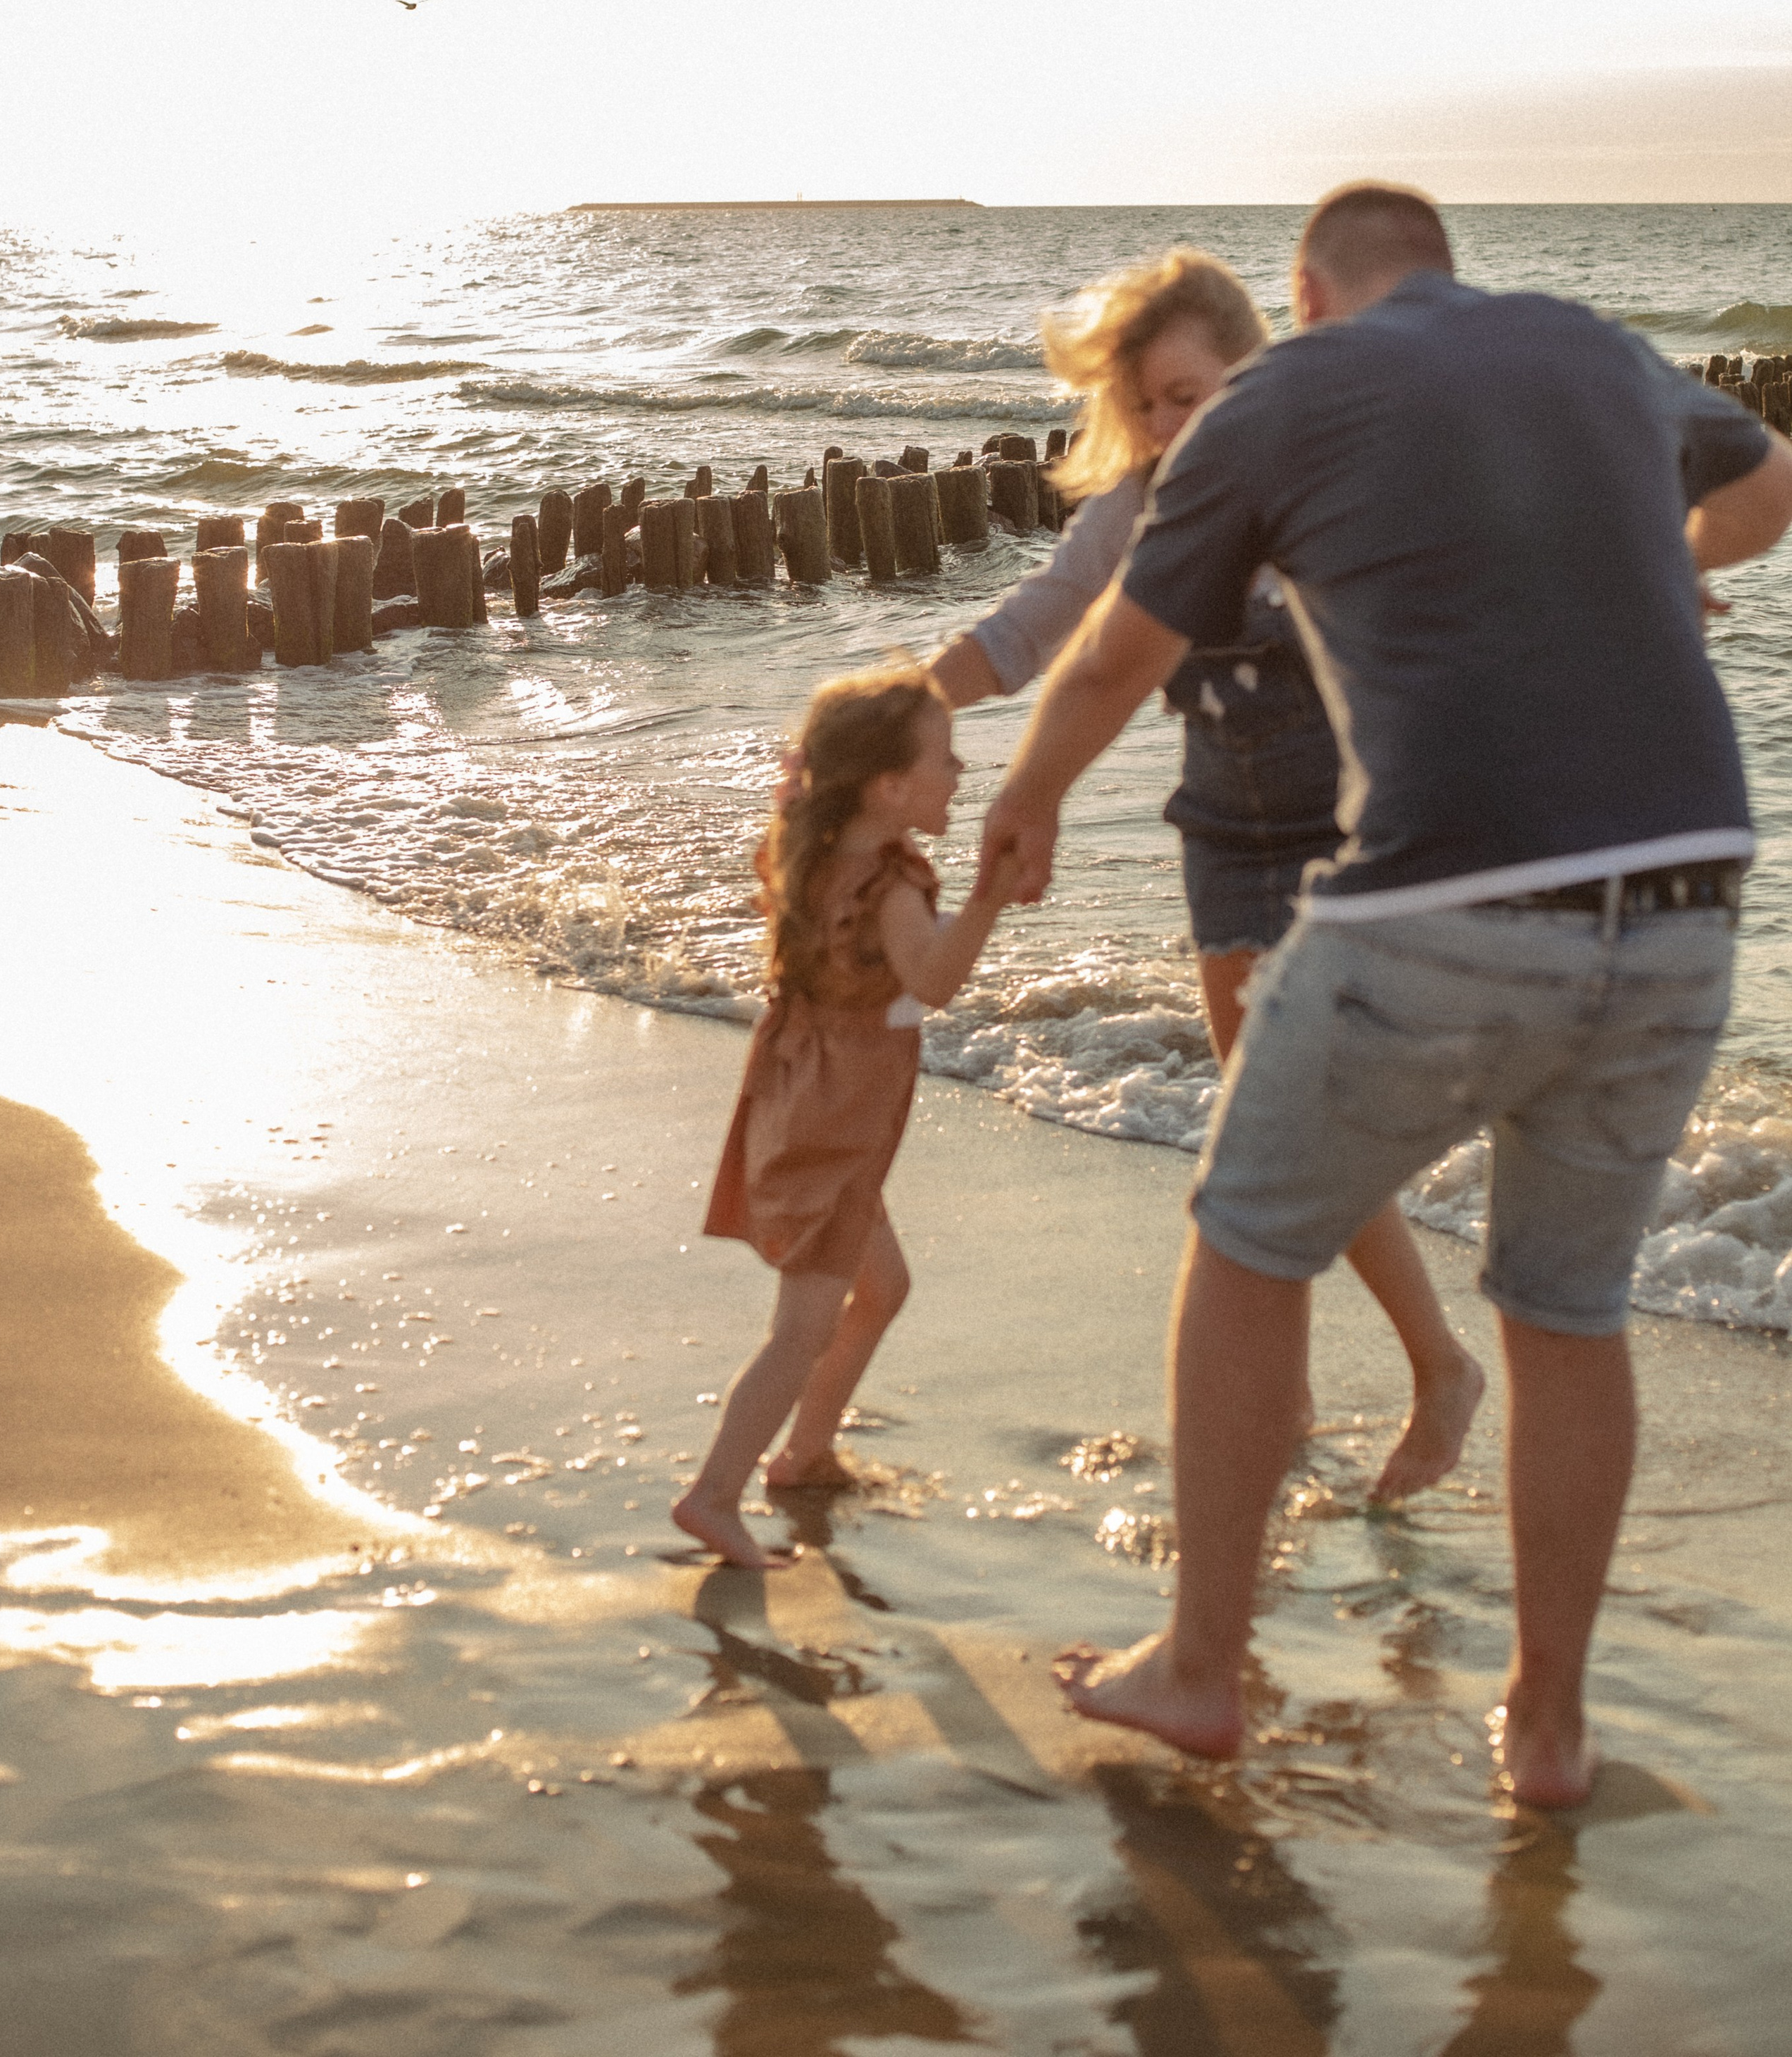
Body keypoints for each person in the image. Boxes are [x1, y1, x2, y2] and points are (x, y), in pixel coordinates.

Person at [976, 182, 1792, 1808]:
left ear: (1307, 292)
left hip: (1444, 902)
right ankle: (1545, 1726)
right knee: (1567, 1311)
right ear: (1442, 267)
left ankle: (1198, 1668)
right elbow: (1767, 486)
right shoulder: (1586, 345)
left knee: (1245, 1237)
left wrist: (1024, 802)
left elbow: (1123, 650)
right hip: (1689, 901)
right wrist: (1655, 562)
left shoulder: (1282, 393)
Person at [931, 248, 1484, 1502]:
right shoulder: (1135, 514)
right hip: (1224, 842)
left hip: (1348, 841)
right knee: (1266, 1124)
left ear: (1256, 376)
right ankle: (1305, 1391)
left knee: (1285, 1126)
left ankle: (1422, 1369)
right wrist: (918, 698)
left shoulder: (1329, 490)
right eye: (1150, 404)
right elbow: (1040, 628)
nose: (1175, 424)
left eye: (1196, 394)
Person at [674, 663, 1023, 1570]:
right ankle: (714, 1494)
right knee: (804, 1326)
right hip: (836, 1124)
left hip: (807, 1099)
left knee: (883, 1289)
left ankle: (806, 1452)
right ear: (889, 786)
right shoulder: (892, 885)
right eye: (946, 760)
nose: (961, 776)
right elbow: (936, 982)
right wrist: (989, 890)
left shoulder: (818, 848)